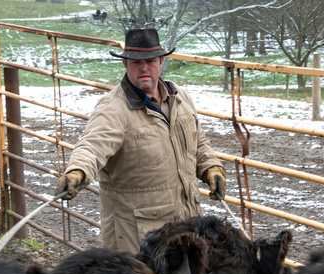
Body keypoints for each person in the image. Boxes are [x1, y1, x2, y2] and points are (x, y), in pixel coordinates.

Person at [54, 28, 226, 254]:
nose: (144, 68)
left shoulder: (180, 99)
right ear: (125, 65)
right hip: (138, 241)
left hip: (187, 228)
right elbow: (93, 144)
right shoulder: (114, 109)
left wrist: (211, 167)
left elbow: (199, 143)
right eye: (136, 62)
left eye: (150, 61)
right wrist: (77, 171)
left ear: (161, 62)